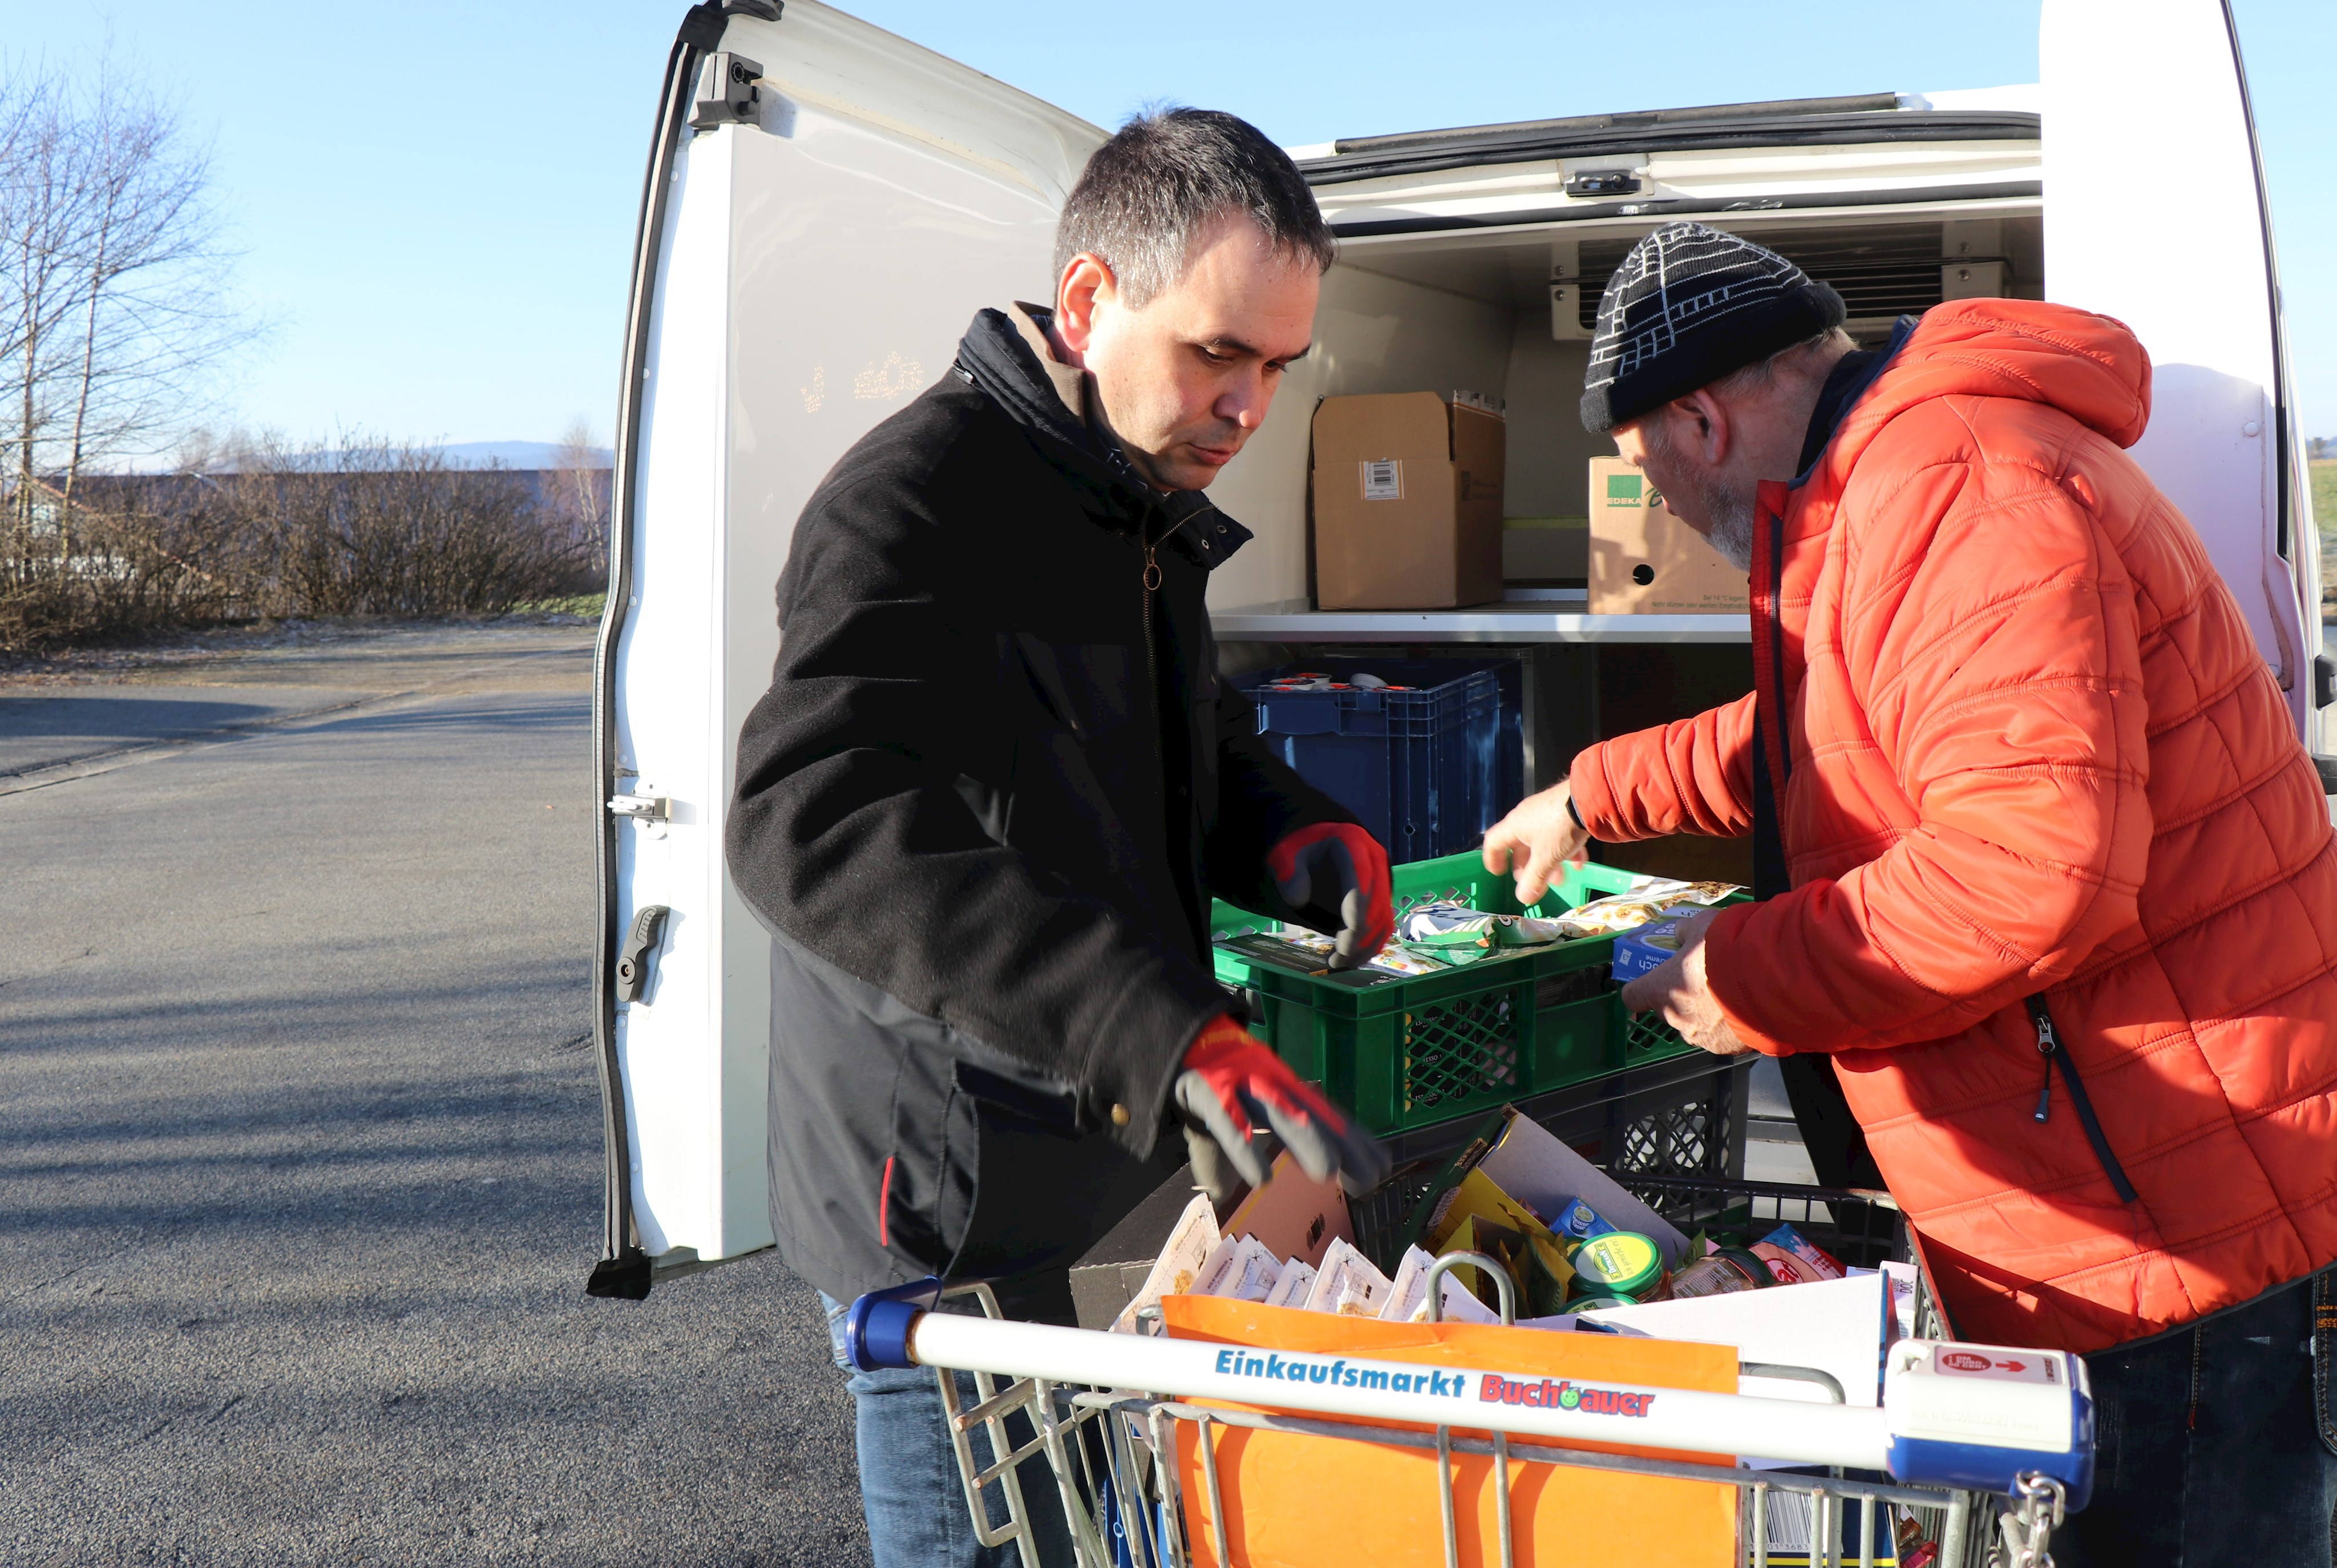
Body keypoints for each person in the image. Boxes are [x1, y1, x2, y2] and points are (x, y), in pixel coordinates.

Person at [1484, 220, 2337, 1565]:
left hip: (2174, 1245)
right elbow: (1839, 732)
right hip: (2132, 1203)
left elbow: (2025, 878)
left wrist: (1732, 972)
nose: (1650, 499)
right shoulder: (1903, 477)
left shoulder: (1954, 489)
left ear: (1698, 418)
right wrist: (1595, 792)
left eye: (1640, 460)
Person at [725, 108, 1393, 1567]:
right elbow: (807, 817)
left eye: (1277, 367)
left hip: (1108, 1162)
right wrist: (1159, 1034)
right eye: (1217, 352)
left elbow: (1180, 743)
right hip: (945, 1206)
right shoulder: (912, 508)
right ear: (1088, 305)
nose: (1246, 407)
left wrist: (1295, 835)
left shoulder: (1132, 499)